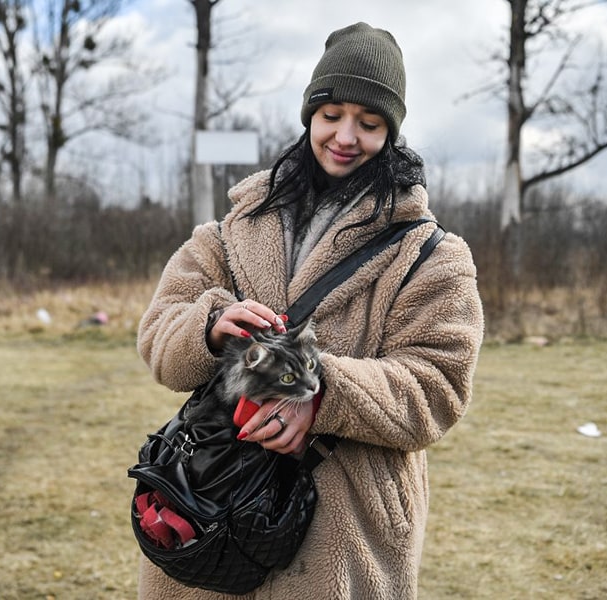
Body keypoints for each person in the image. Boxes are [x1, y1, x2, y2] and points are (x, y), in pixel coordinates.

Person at [136, 22, 484, 599]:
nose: (346, 136)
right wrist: (210, 327)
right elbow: (158, 335)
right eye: (331, 115)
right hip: (211, 510)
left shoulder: (431, 255)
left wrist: (322, 395)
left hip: (342, 535)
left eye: (369, 124)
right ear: (309, 116)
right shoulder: (231, 229)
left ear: (391, 133)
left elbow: (438, 388)